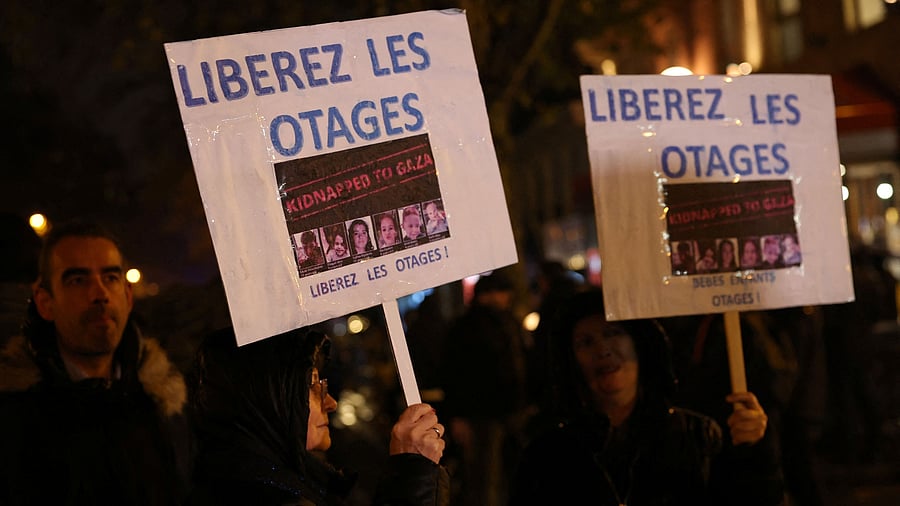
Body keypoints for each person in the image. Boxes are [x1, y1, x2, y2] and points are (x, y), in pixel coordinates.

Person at [509, 289, 784, 505]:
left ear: (639, 346)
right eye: (586, 342)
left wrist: (755, 451)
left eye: (613, 333)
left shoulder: (697, 437)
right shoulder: (548, 454)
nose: (603, 349)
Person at [0, 220, 192, 506]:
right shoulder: (13, 419)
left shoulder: (166, 403)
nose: (99, 294)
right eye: (78, 280)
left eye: (111, 278)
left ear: (128, 296)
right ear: (45, 303)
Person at [186, 325, 450, 505]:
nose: (330, 403)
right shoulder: (265, 496)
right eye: (312, 386)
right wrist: (413, 477)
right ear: (269, 397)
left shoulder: (244, 481)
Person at [440, 271, 529, 506]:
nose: (506, 298)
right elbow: (455, 373)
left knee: (509, 475)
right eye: (502, 292)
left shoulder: (507, 322)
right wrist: (458, 415)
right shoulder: (468, 327)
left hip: (509, 410)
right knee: (484, 478)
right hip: (481, 414)